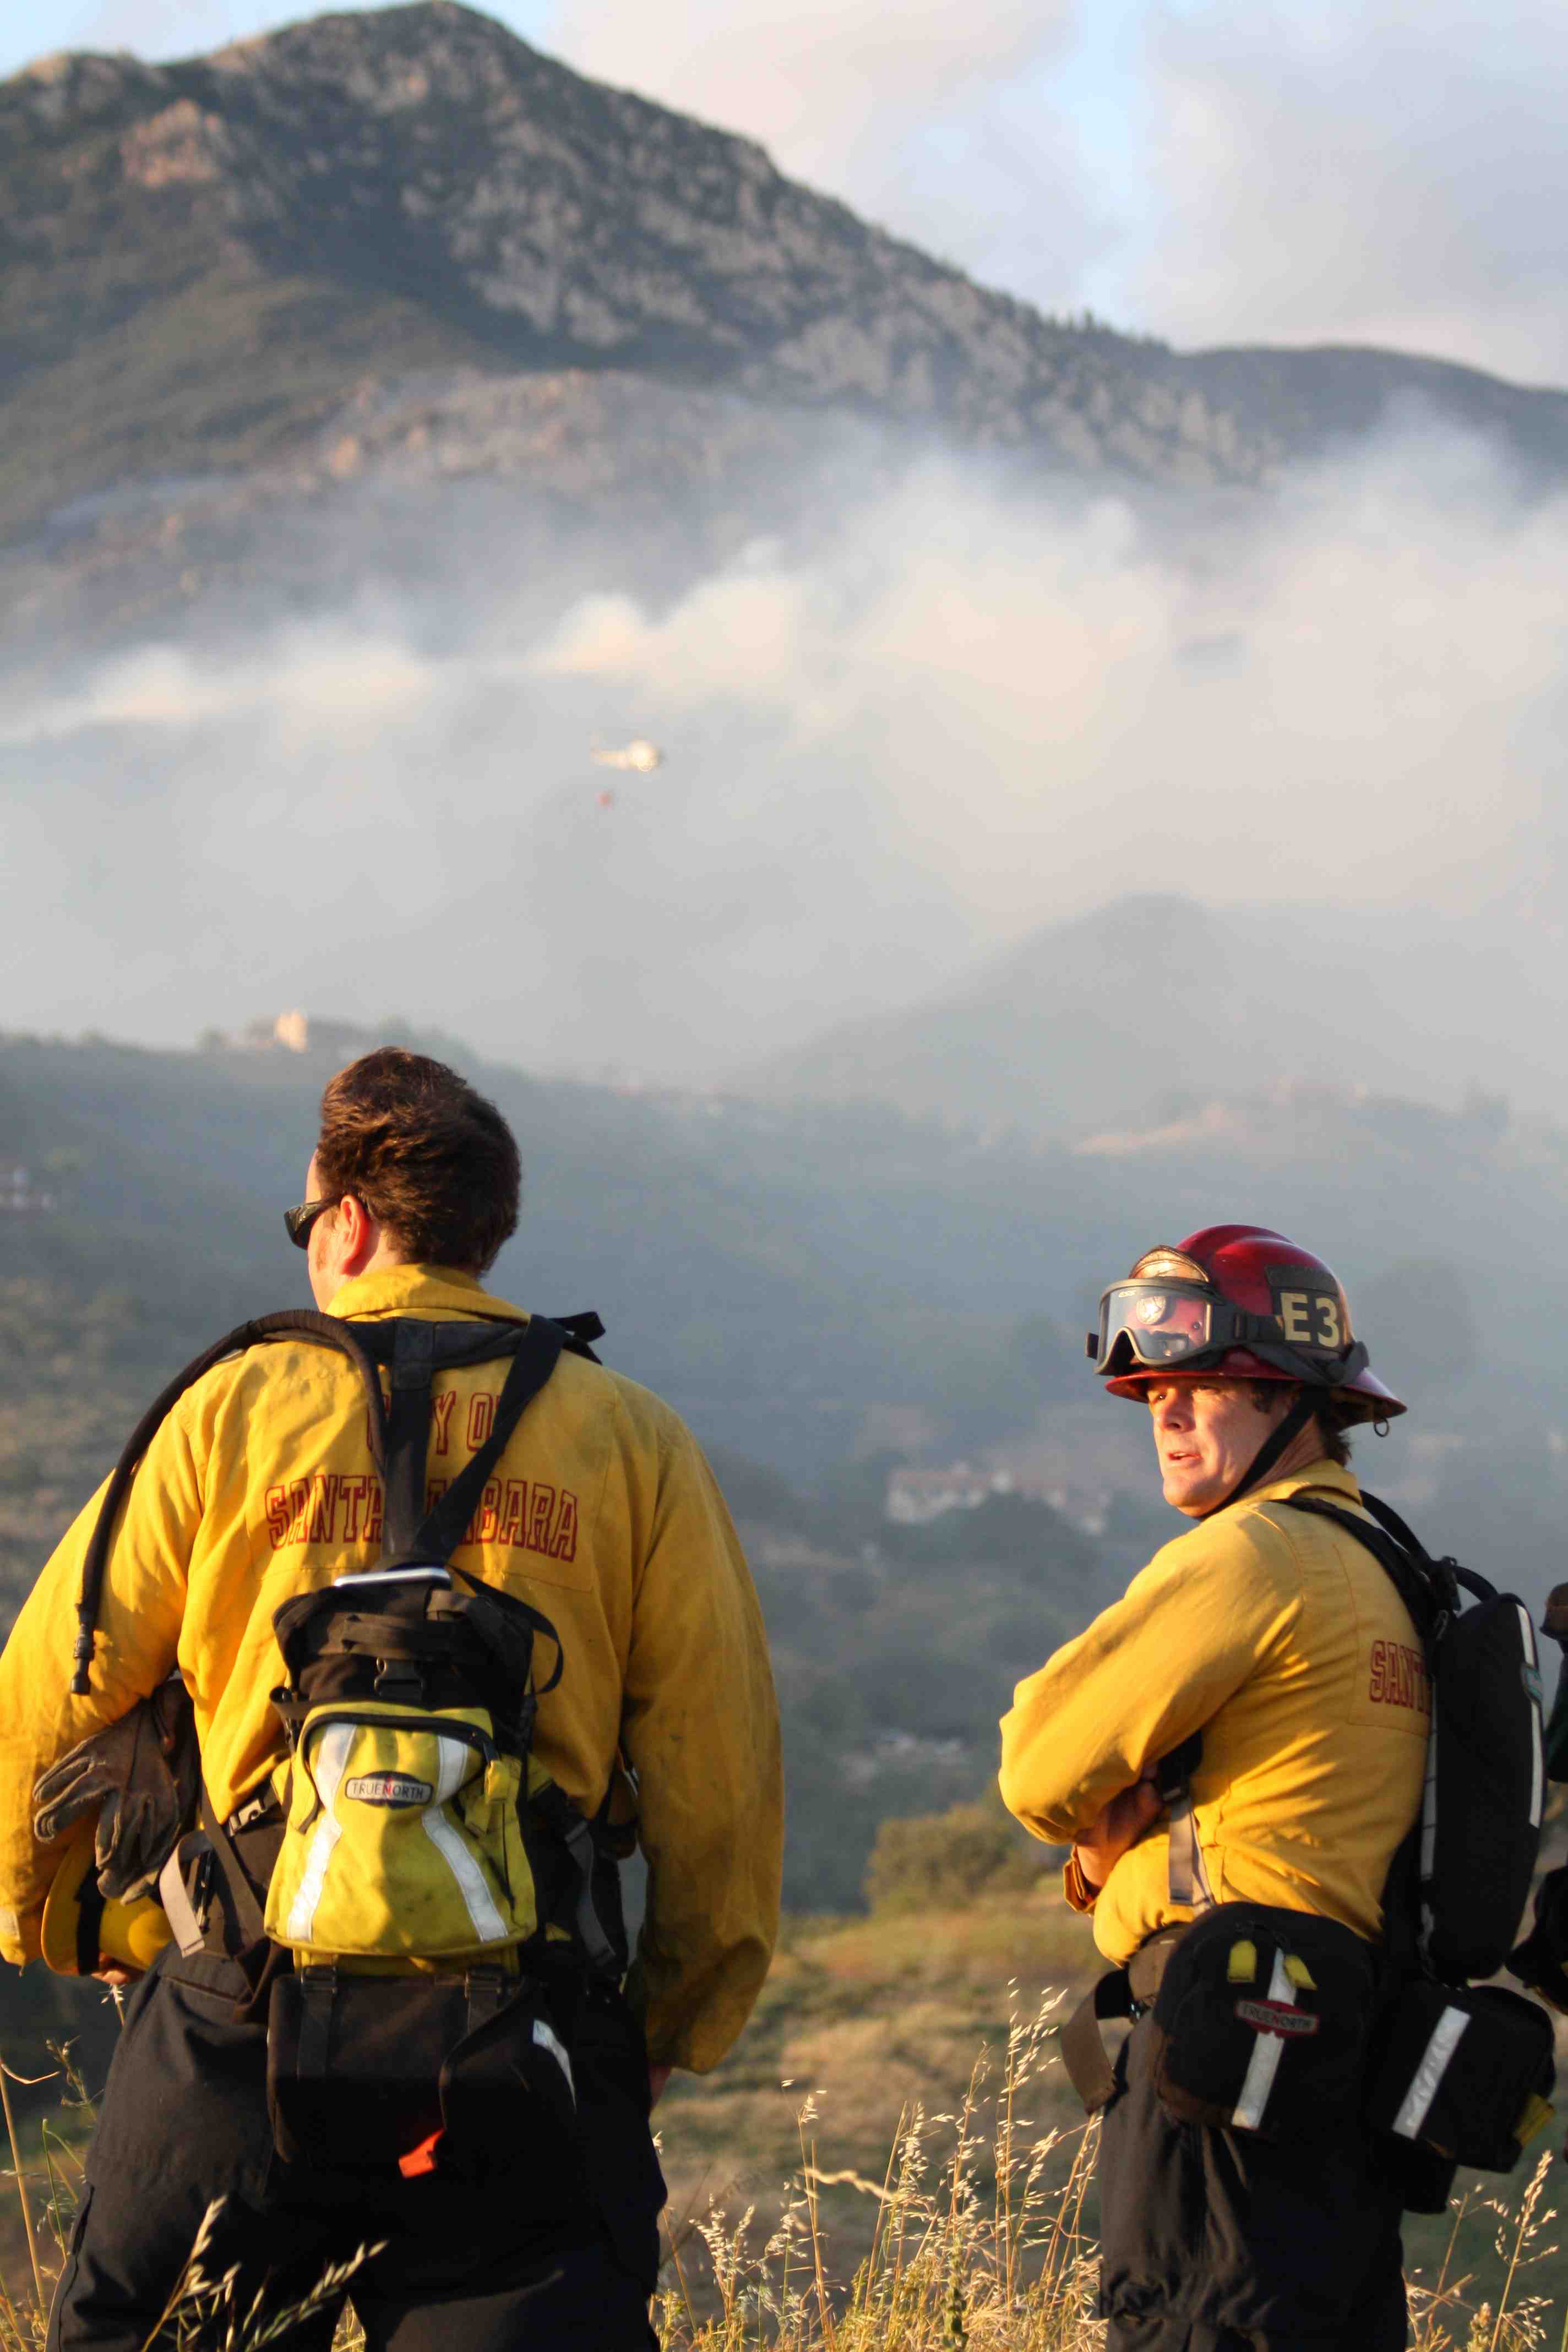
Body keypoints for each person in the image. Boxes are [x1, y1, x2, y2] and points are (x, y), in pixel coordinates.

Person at [0, 1046, 783, 2352]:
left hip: (239, 2015)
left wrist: (64, 1916)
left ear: (351, 1224)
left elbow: (47, 1695)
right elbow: (720, 1773)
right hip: (521, 2030)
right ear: (484, 1234)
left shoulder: (228, 1408)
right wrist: (663, 2026)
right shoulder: (629, 1438)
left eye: (305, 1221)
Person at [1000, 1224, 1425, 2352]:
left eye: (1207, 1386)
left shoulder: (1254, 1554)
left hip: (1227, 2057)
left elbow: (1037, 1767)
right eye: (1153, 1394)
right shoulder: (1387, 1567)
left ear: (1294, 1400)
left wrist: (1094, 1852)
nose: (1169, 1416)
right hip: (1344, 2063)